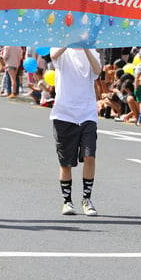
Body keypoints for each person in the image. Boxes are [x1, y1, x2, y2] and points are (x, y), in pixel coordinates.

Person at [50, 46, 101, 216]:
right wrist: (68, 41)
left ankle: (87, 199)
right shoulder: (61, 49)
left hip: (87, 112)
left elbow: (97, 70)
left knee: (89, 156)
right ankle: (67, 201)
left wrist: (86, 48)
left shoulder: (91, 50)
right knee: (66, 162)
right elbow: (53, 55)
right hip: (64, 113)